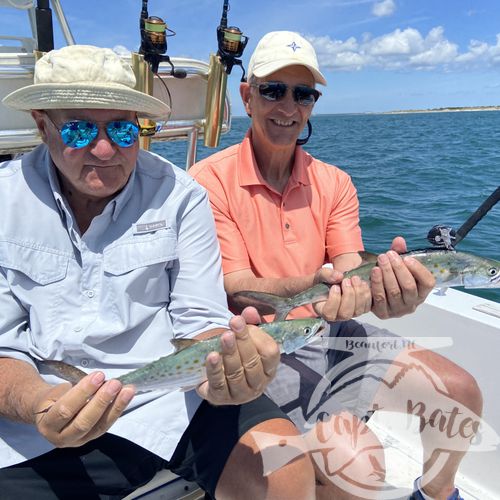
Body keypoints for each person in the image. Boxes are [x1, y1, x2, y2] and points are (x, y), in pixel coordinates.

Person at [0, 44, 319, 500]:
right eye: (77, 129)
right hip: (38, 413)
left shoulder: (180, 196)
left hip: (173, 398)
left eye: (124, 130)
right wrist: (38, 403)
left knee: (283, 466)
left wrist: (230, 366)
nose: (105, 149)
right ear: (41, 125)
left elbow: (199, 317)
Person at [190, 31, 483, 500]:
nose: (288, 106)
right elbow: (235, 286)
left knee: (460, 392)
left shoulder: (335, 182)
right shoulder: (206, 182)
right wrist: (313, 284)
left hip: (329, 331)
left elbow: (349, 265)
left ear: (312, 104)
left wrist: (385, 292)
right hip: (260, 344)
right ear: (247, 96)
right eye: (273, 90)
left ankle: (434, 494)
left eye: (303, 94)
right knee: (357, 463)